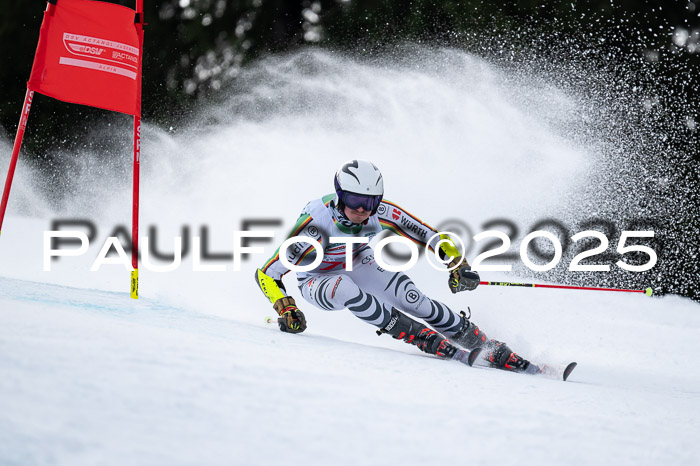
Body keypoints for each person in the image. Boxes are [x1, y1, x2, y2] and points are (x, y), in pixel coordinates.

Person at [254, 159, 529, 371]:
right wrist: (286, 307)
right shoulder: (315, 226)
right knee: (344, 287)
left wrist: (456, 262)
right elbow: (267, 273)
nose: (363, 209)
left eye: (371, 201)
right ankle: (417, 335)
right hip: (317, 280)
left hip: (357, 260)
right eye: (355, 200)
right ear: (340, 195)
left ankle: (480, 342)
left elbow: (427, 234)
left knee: (413, 299)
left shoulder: (380, 212)